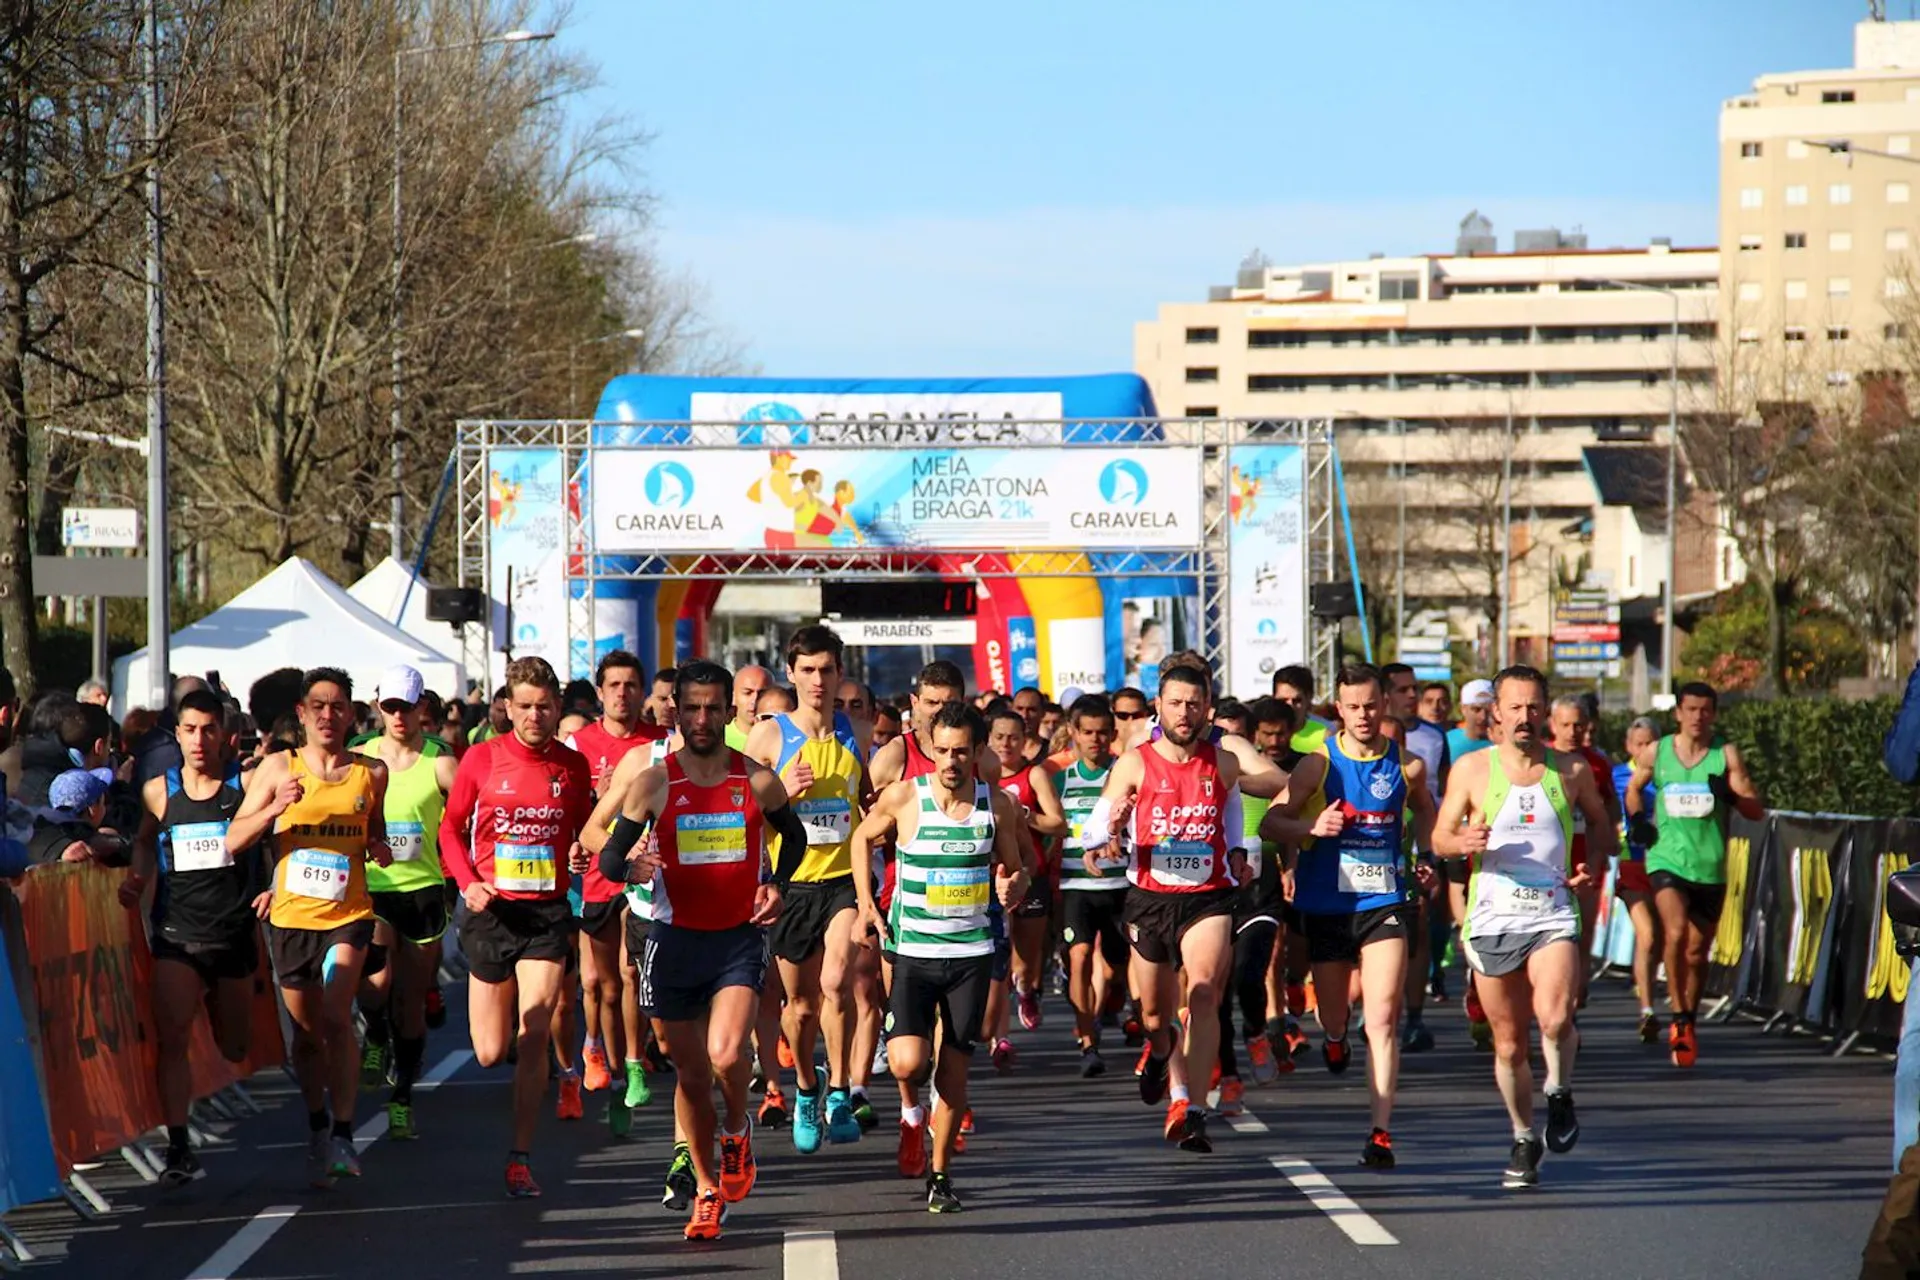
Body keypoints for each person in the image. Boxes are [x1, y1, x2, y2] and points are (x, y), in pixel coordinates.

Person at [595, 661, 808, 1240]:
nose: (703, 718)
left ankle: (736, 1130)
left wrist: (777, 885)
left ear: (729, 712)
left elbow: (794, 837)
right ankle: (708, 1189)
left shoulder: (756, 779)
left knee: (725, 1053)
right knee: (690, 1077)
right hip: (672, 941)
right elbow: (609, 857)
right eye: (692, 707)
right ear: (676, 711)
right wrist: (633, 866)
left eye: (714, 708)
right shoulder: (654, 782)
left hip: (737, 938)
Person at [1433, 666, 1615, 1189]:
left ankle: (1558, 1090)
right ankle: (1522, 1135)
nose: (1524, 717)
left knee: (1555, 1018)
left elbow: (1602, 825)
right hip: (1493, 917)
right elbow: (1440, 837)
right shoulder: (1471, 769)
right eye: (1514, 707)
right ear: (1496, 712)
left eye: (1534, 707)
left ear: (1545, 712)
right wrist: (1462, 843)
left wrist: (1591, 866)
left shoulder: (1571, 770)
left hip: (1552, 911)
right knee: (1509, 1045)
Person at [1260, 663, 1437, 1170]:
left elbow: (1426, 810)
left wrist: (1425, 854)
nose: (1363, 715)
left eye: (1371, 705)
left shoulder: (1407, 766)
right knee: (1333, 1015)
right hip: (1328, 907)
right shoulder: (1317, 765)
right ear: (1338, 709)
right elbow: (1272, 822)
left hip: (1384, 903)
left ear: (1385, 705)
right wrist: (1312, 826)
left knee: (1381, 1019)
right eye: (1353, 707)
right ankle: (1335, 1039)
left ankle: (1380, 1133)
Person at [853, 702, 1028, 1213]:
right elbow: (861, 838)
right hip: (912, 953)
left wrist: (1013, 885)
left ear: (978, 752)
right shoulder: (905, 797)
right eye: (943, 751)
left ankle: (940, 1174)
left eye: (961, 752)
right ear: (930, 750)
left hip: (970, 955)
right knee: (908, 1061)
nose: (951, 761)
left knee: (953, 1073)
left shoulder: (997, 806)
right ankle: (912, 1115)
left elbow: (1018, 869)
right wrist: (866, 904)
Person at [227, 668, 392, 1188]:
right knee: (306, 1036)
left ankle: (343, 1133)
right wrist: (275, 808)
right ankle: (318, 1121)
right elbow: (233, 840)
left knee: (337, 1018)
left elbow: (376, 833)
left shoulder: (372, 773)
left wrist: (380, 847)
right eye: (317, 706)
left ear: (351, 715)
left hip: (349, 916)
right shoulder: (278, 768)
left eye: (337, 706)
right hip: (292, 919)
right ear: (301, 714)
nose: (327, 715)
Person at [438, 656, 594, 1197]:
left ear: (557, 707)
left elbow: (584, 830)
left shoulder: (571, 767)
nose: (534, 716)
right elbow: (450, 830)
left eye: (544, 707)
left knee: (534, 1034)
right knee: (488, 1051)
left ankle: (520, 1157)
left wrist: (579, 852)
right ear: (507, 706)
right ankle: (501, 1025)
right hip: (491, 913)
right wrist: (468, 883)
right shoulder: (481, 759)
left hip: (546, 915)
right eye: (524, 706)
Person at [1081, 664, 1248, 1155]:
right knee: (1155, 1016)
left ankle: (1193, 1108)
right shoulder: (1134, 763)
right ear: (1159, 706)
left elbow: (1232, 812)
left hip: (1208, 896)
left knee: (1203, 992)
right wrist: (1111, 828)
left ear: (1207, 708)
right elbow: (1092, 833)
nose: (1184, 712)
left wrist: (1241, 851)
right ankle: (1158, 1054)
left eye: (1194, 703)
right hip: (1150, 899)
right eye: (1175, 702)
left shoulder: (1223, 763)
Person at [124, 687, 263, 1186]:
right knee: (172, 1039)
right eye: (190, 730)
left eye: (208, 730)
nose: (199, 740)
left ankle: (211, 1024)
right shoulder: (158, 791)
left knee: (235, 1046)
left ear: (225, 735)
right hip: (178, 935)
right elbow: (144, 842)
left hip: (233, 935)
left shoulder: (244, 785)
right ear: (177, 735)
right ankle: (178, 1147)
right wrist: (137, 877)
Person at [744, 625, 871, 1152]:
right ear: (791, 673)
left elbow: (868, 802)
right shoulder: (769, 737)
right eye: (808, 670)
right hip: (791, 885)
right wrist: (782, 793)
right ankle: (805, 1087)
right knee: (799, 1007)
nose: (818, 680)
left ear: (840, 672)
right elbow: (742, 815)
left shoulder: (856, 732)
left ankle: (839, 1091)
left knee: (837, 982)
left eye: (827, 670)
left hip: (843, 882)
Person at [1624, 681, 1764, 1068]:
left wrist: (1731, 797)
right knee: (1674, 931)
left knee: (1697, 952)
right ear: (1678, 713)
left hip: (1710, 865)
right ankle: (1679, 1018)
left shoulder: (1725, 755)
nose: (1697, 717)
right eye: (1690, 709)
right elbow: (1633, 790)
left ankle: (1688, 1016)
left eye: (1705, 710)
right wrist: (1638, 820)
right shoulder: (1658, 751)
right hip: (1666, 859)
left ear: (1714, 714)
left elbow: (1756, 811)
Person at [564, 651, 670, 1135]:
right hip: (597, 875)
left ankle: (632, 1061)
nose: (622, 693)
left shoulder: (659, 745)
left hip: (647, 878)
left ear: (642, 692)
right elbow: (575, 815)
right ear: (600, 692)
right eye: (614, 685)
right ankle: (607, 1063)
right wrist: (584, 832)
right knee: (601, 985)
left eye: (631, 685)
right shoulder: (579, 743)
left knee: (631, 974)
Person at [353, 666, 458, 1141]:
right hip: (372, 889)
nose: (398, 716)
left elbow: (471, 813)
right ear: (379, 707)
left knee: (412, 1002)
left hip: (423, 891)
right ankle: (375, 1032)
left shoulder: (440, 761)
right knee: (376, 983)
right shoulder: (361, 757)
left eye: (407, 707)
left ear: (422, 708)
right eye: (390, 707)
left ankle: (403, 1097)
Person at [1049, 695, 1129, 1077]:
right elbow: (1050, 829)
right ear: (1074, 734)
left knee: (1117, 968)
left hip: (1122, 886)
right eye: (1088, 733)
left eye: (1102, 733)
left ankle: (1113, 1004)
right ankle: (1087, 1042)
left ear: (1112, 734)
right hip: (1076, 887)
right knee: (1079, 956)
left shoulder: (1125, 775)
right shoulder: (1060, 780)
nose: (1095, 740)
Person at [989, 707, 1066, 1041]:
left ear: (1025, 741)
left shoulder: (1033, 775)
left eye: (1013, 738)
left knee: (1025, 958)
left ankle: (1026, 989)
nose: (1006, 744)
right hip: (991, 876)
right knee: (996, 957)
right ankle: (999, 1035)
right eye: (999, 737)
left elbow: (1058, 824)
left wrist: (1022, 813)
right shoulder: (979, 775)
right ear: (988, 740)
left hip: (1030, 873)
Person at [1383, 662, 1448, 1050]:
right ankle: (1374, 1005)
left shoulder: (1431, 740)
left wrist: (1428, 853)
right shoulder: (1350, 744)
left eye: (1414, 689)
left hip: (1417, 849)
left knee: (1418, 926)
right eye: (1403, 689)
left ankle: (1413, 1016)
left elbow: (1435, 798)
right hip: (1365, 860)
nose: (1412, 696)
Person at [1547, 694, 1621, 1008]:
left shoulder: (1597, 763)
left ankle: (1576, 992)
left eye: (1578, 725)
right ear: (1552, 725)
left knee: (1583, 929)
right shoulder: (1541, 760)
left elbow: (1610, 807)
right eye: (1565, 725)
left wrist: (1606, 845)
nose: (1572, 732)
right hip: (1548, 863)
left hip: (1587, 859)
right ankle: (1554, 995)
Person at [1613, 717, 1663, 1042]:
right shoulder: (1617, 776)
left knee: (1661, 939)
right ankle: (1648, 1011)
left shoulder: (1669, 774)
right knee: (1647, 935)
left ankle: (1646, 986)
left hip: (1665, 863)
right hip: (1631, 863)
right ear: (1629, 746)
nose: (1645, 749)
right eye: (1639, 744)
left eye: (1650, 743)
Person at [725, 665, 773, 751]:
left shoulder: (783, 737)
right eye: (747, 693)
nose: (754, 700)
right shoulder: (719, 737)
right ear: (733, 697)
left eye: (762, 693)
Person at [1449, 680, 1495, 761]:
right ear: (1463, 709)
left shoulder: (1506, 745)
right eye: (1476, 709)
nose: (1483, 717)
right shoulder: (1447, 742)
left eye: (1489, 710)